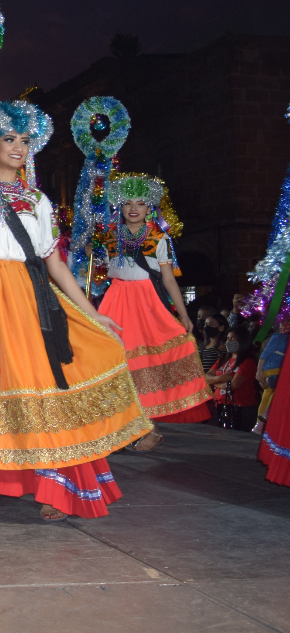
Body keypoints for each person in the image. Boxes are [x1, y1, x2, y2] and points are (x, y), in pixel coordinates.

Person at [0, 101, 150, 529]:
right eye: (9, 138)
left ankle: (56, 487)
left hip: (25, 301)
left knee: (41, 387)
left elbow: (54, 264)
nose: (18, 147)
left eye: (25, 140)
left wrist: (91, 313)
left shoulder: (36, 200)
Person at [96, 173, 211, 451]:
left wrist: (183, 314)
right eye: (127, 203)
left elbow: (169, 279)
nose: (133, 208)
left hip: (146, 303)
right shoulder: (108, 237)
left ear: (150, 208)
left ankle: (152, 427)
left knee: (147, 360)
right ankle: (121, 426)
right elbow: (99, 273)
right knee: (116, 360)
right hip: (116, 299)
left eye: (140, 203)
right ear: (120, 208)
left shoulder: (159, 237)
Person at [208, 327, 259, 430]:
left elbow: (234, 385)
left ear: (242, 341)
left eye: (233, 339)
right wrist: (222, 378)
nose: (228, 342)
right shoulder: (223, 359)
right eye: (228, 339)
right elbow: (207, 376)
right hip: (220, 405)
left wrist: (215, 382)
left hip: (240, 408)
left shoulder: (248, 361)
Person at [254, 322, 286, 436]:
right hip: (272, 371)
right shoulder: (278, 337)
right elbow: (264, 355)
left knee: (270, 397)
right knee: (268, 397)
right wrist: (259, 371)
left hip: (281, 372)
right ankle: (260, 423)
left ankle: (263, 424)